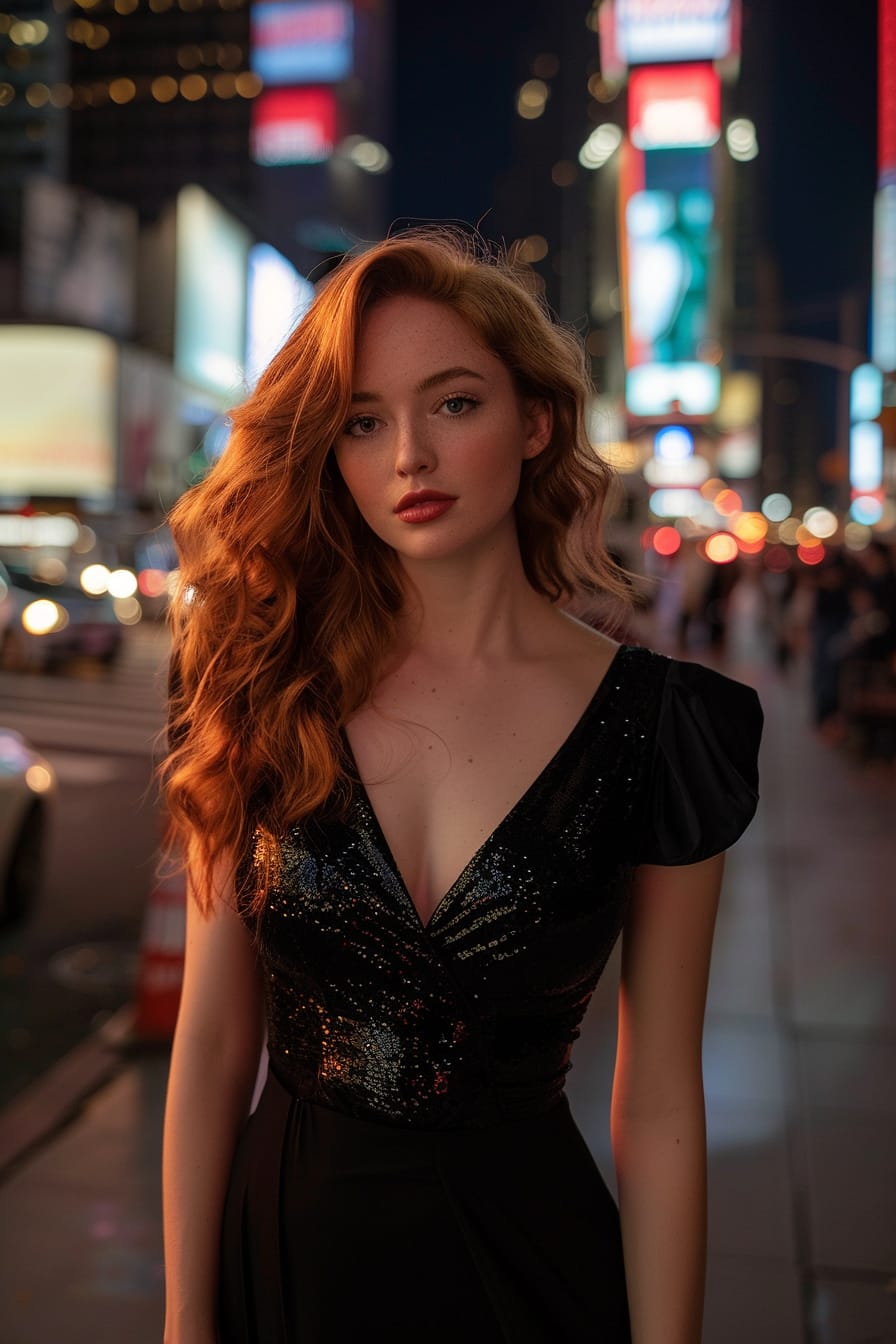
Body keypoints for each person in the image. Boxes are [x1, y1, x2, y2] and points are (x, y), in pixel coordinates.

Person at [161, 231, 763, 1344]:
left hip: (527, 1261)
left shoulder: (665, 726)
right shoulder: (256, 681)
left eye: (452, 405)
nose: (407, 460)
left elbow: (661, 1098)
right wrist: (186, 1317)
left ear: (533, 422)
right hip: (283, 1255)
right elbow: (210, 1043)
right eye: (362, 421)